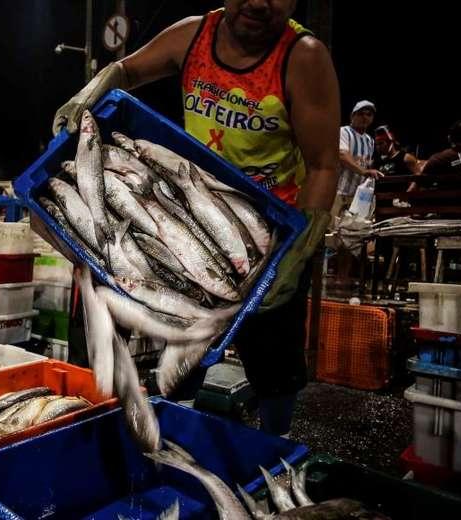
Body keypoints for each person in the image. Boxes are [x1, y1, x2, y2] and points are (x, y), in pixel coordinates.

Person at [53, 0, 340, 435]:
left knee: (274, 360)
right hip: (189, 209)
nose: (260, 2)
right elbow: (127, 71)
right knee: (183, 351)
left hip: (270, 233)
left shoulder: (303, 57)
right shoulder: (193, 36)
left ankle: (276, 444)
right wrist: (92, 89)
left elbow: (322, 165)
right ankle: (176, 431)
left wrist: (296, 254)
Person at [331, 100, 383, 218]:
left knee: (356, 231)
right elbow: (342, 155)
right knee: (335, 230)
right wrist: (364, 172)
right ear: (352, 116)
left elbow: (366, 163)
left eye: (369, 114)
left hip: (359, 195)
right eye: (361, 114)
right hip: (340, 192)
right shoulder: (343, 132)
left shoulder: (369, 140)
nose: (365, 117)